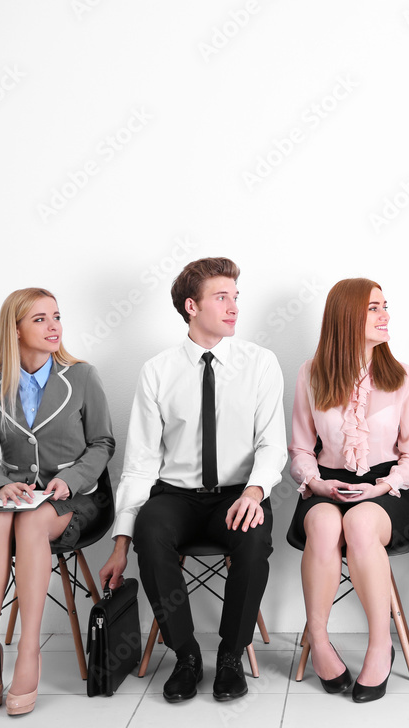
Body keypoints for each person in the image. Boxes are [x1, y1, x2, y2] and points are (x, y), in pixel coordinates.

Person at [99, 257, 286, 704]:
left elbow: (272, 445)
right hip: (176, 495)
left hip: (238, 493)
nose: (234, 307)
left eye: (236, 297)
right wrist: (120, 541)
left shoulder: (260, 363)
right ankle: (184, 655)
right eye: (221, 297)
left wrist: (255, 492)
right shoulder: (157, 371)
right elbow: (141, 463)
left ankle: (229, 655)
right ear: (191, 306)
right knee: (150, 531)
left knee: (254, 535)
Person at [0, 288, 115, 715]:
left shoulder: (83, 376)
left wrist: (71, 478)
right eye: (40, 319)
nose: (54, 327)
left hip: (74, 498)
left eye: (56, 317)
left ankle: (29, 649)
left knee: (30, 523)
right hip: (15, 496)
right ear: (14, 330)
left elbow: (103, 442)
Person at [288, 278, 409, 703]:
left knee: (363, 525)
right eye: (374, 308)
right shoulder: (311, 373)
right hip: (326, 483)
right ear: (346, 316)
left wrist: (381, 486)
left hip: (387, 488)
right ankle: (319, 638)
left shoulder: (403, 377)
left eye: (386, 306)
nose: (385, 315)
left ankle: (379, 645)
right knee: (328, 528)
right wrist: (314, 481)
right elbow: (299, 448)